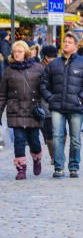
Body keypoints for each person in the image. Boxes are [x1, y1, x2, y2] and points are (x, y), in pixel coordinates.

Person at [40, 33, 83, 178]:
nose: (66, 43)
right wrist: (50, 98)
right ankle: (58, 167)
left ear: (76, 46)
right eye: (64, 41)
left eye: (69, 42)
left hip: (75, 106)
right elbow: (43, 84)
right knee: (57, 137)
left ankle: (74, 166)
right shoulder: (54, 64)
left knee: (75, 139)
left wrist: (81, 98)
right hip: (57, 106)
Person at [0, 40, 46, 179]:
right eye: (14, 52)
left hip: (33, 110)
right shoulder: (8, 71)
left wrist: (46, 106)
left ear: (25, 53)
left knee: (34, 141)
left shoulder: (38, 68)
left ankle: (37, 158)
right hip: (16, 110)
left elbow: (44, 89)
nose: (16, 54)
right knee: (19, 140)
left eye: (19, 51)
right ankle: (21, 169)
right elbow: (2, 94)